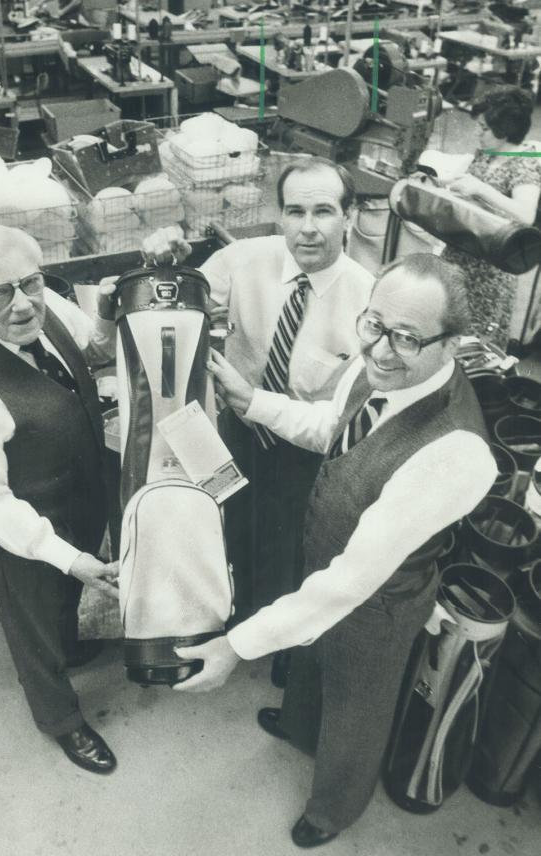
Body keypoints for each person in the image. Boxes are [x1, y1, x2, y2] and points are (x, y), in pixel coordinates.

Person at [173, 254, 496, 849]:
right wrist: (253, 401)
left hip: (378, 604)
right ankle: (299, 729)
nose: (380, 350)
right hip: (327, 561)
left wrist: (234, 646)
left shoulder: (457, 453)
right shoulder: (374, 366)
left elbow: (353, 580)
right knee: (312, 661)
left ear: (454, 343)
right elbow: (331, 426)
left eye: (407, 337)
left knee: (356, 706)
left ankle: (333, 808)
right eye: (373, 324)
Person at [143, 160, 374, 627]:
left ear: (349, 217)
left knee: (290, 553)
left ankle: (276, 637)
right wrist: (167, 263)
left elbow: (341, 424)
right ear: (280, 215)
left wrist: (254, 401)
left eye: (324, 212)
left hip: (305, 455)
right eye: (295, 212)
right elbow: (176, 302)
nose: (307, 229)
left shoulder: (370, 304)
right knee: (225, 527)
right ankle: (232, 615)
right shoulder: (244, 259)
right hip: (234, 436)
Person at [0, 225, 120, 774]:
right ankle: (61, 719)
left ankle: (72, 644)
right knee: (32, 624)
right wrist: (65, 555)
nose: (21, 304)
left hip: (77, 497)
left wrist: (105, 309)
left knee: (64, 605)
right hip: (23, 532)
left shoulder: (44, 301)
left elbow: (97, 348)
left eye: (29, 284)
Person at [441, 85, 541, 349]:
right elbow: (468, 184)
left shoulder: (525, 163)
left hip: (489, 271)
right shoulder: (486, 154)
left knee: (472, 348)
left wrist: (480, 188)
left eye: (484, 128)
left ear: (505, 129)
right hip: (460, 256)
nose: (477, 133)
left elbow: (525, 214)